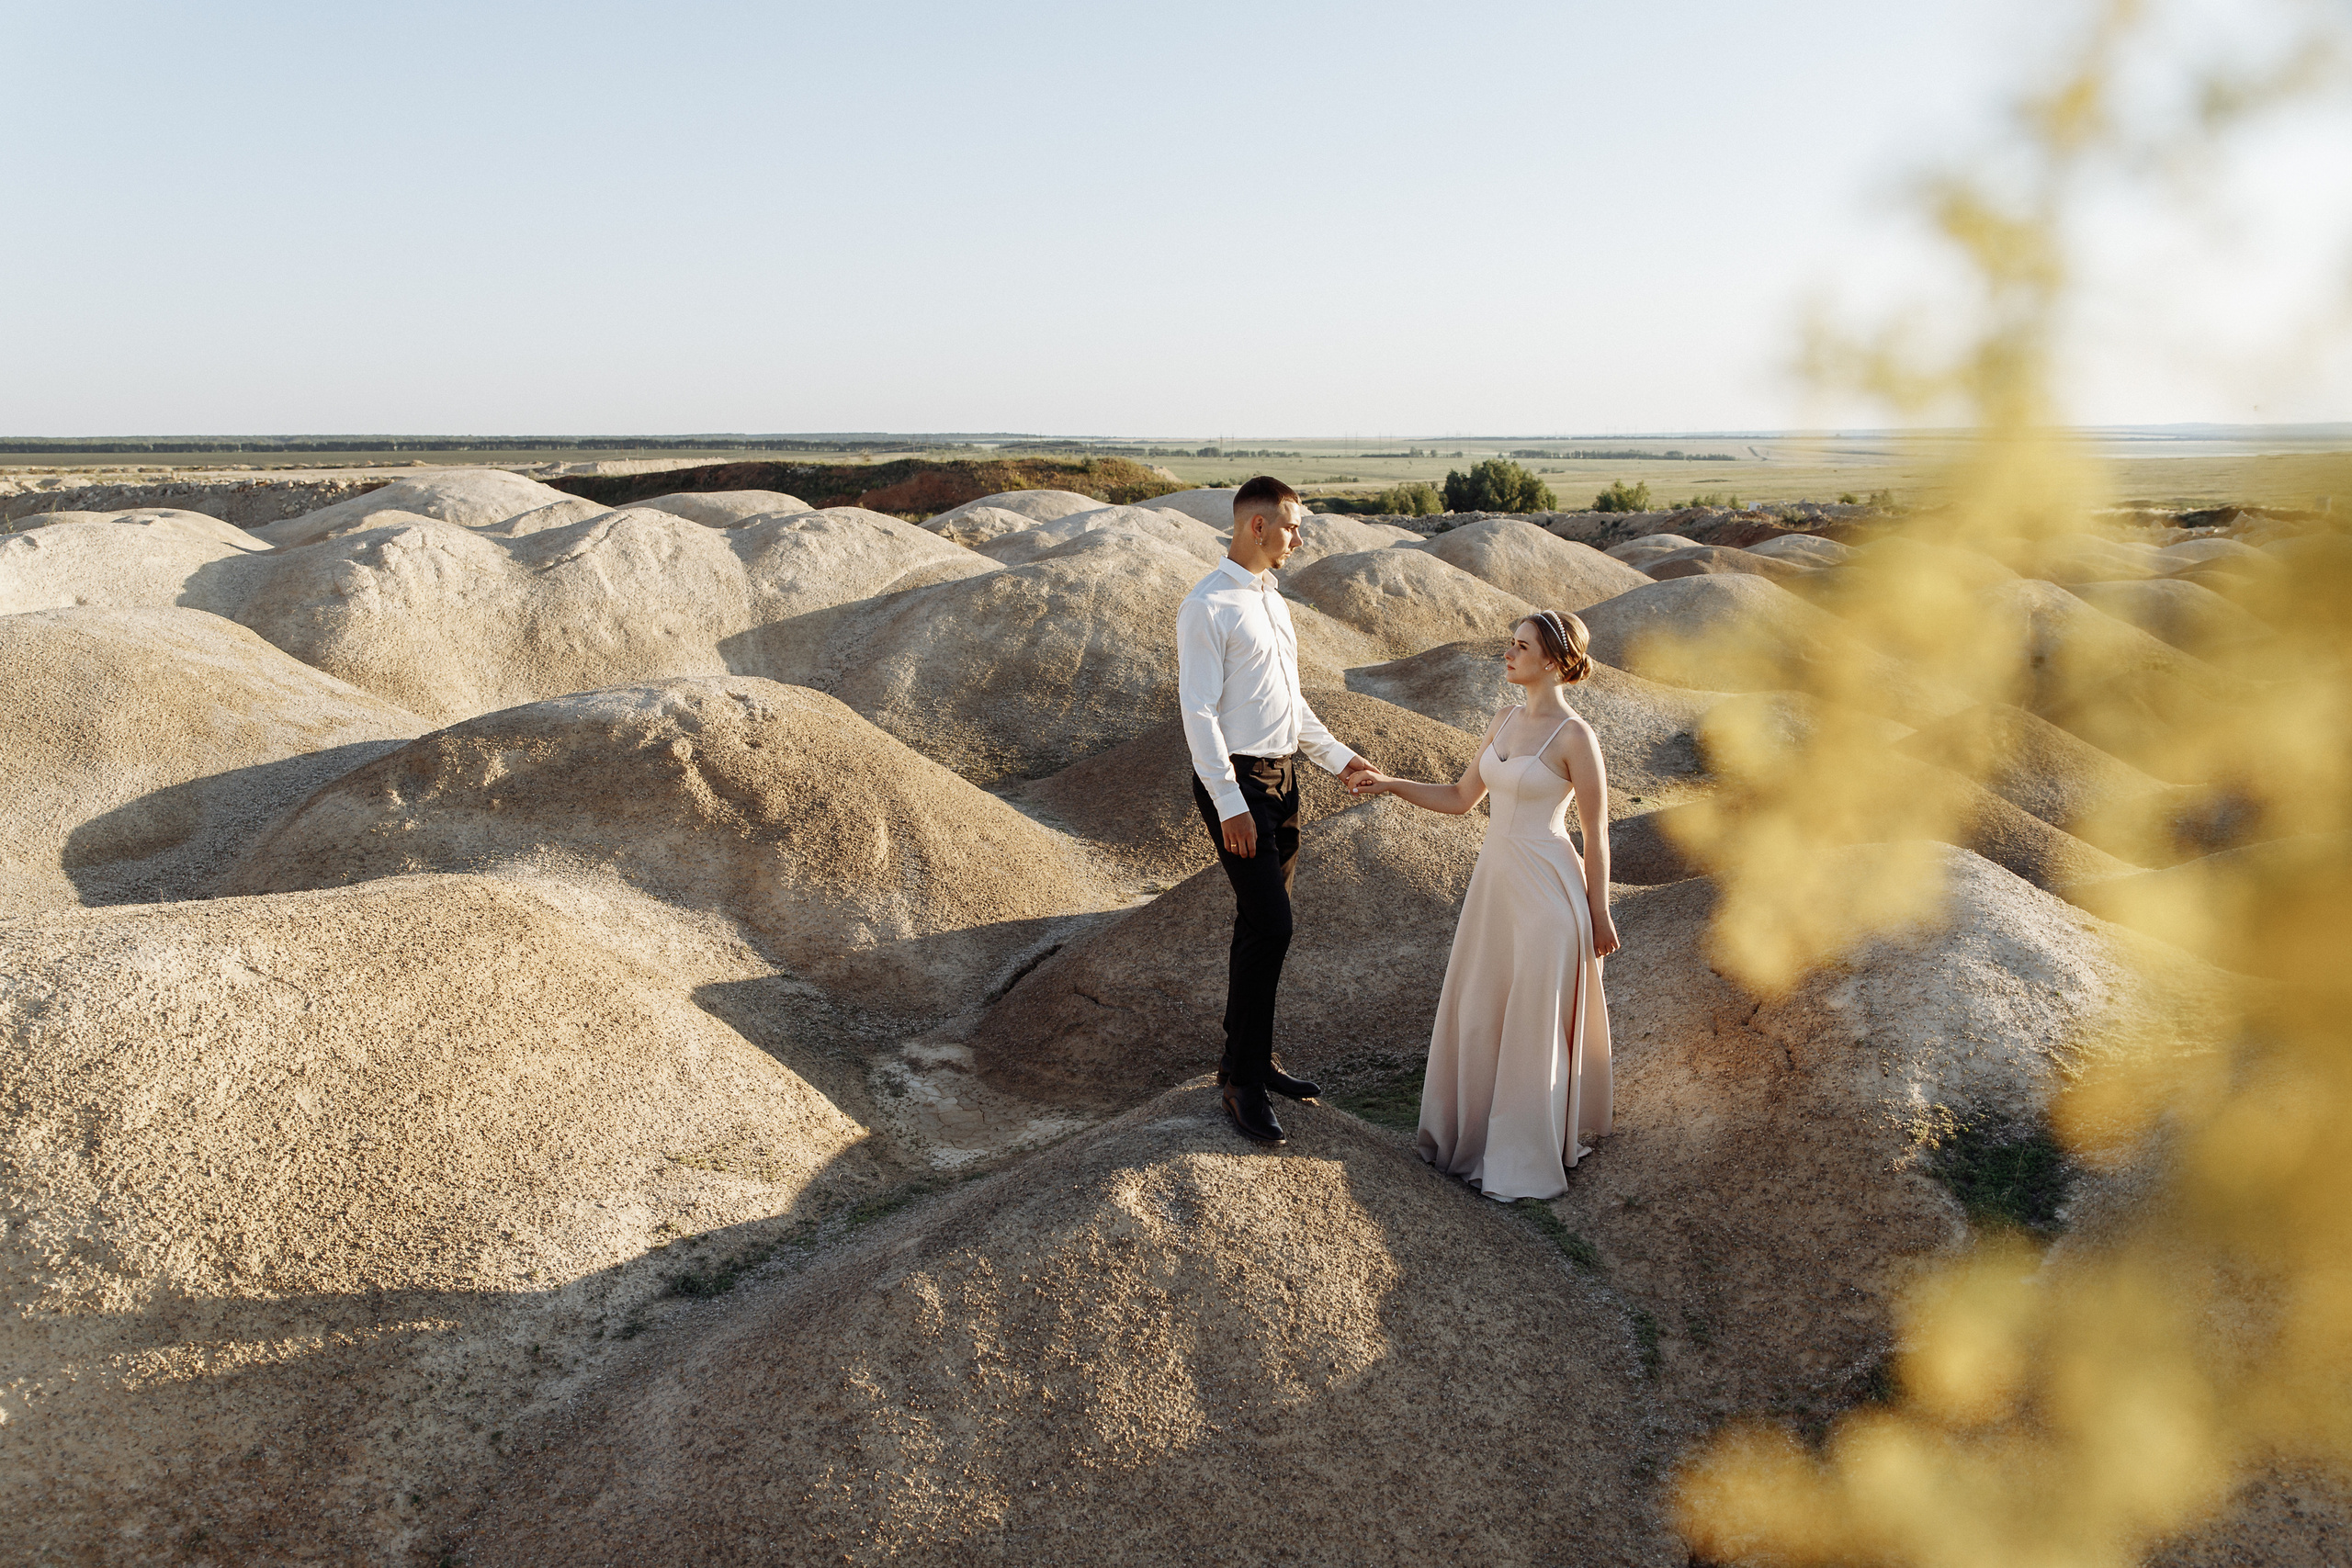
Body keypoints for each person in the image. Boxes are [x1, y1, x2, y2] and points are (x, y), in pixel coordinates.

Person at [1347, 610, 1618, 1200]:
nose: (1508, 653)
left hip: (1549, 891)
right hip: (1494, 886)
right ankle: (1472, 1138)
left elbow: (1596, 835)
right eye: (1510, 643)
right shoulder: (1501, 719)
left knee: (1531, 1021)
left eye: (1521, 646)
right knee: (1478, 1009)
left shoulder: (1576, 737)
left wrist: (1600, 912)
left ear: (1552, 661)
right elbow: (1461, 798)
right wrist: (1391, 783)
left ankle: (1522, 1153)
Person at [1176, 476, 1376, 1145]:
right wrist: (1229, 803)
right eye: (1292, 525)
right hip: (1236, 782)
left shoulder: (1272, 601)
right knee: (1274, 923)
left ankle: (1249, 1060)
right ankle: (1241, 1085)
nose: (1300, 536)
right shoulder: (1208, 605)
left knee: (1259, 926)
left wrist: (1338, 757)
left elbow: (1291, 704)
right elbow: (1198, 712)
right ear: (1256, 526)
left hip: (1283, 778)